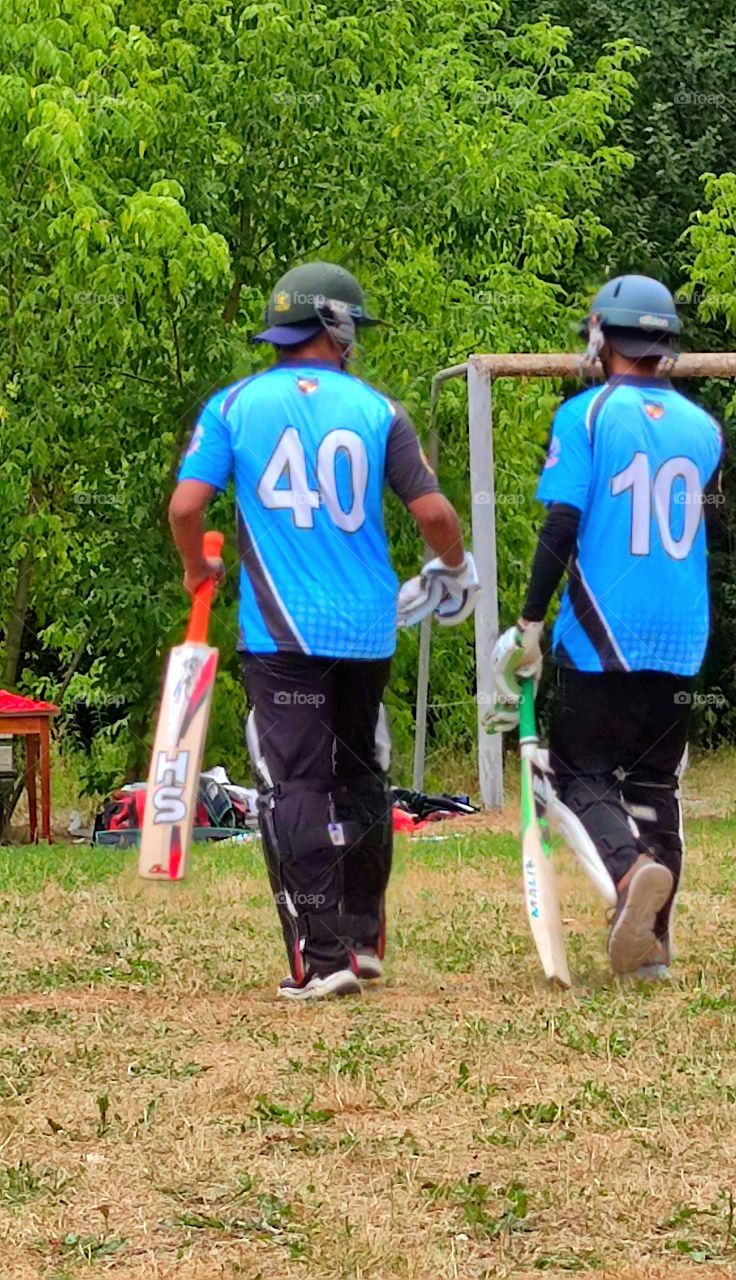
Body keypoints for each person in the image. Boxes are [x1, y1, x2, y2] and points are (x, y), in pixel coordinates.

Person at [169, 261, 478, 1000]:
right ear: (334, 327)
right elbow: (433, 515)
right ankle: (364, 940)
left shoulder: (235, 404)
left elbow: (187, 507)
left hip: (283, 633)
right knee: (362, 778)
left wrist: (194, 570)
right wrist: (456, 569)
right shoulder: (378, 410)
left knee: (295, 787)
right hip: (366, 630)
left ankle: (324, 956)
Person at [487, 274, 722, 980]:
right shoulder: (706, 429)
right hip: (682, 631)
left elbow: (563, 523)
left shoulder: (585, 415)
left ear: (602, 336)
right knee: (654, 783)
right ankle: (652, 949)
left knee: (581, 771)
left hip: (603, 628)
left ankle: (627, 877)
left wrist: (530, 621)